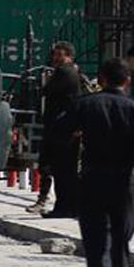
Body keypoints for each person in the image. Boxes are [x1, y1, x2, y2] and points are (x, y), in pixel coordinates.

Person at [63, 58, 134, 267]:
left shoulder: (86, 104)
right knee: (120, 241)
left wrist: (76, 134)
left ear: (102, 80)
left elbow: (59, 130)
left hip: (92, 181)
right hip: (126, 183)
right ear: (127, 81)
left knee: (96, 245)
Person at [28, 41, 86, 218]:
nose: (56, 59)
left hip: (62, 129)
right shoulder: (71, 72)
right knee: (64, 170)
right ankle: (69, 206)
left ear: (69, 56)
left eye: (60, 55)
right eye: (55, 55)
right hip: (64, 128)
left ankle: (63, 208)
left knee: (62, 171)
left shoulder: (65, 72)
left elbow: (47, 90)